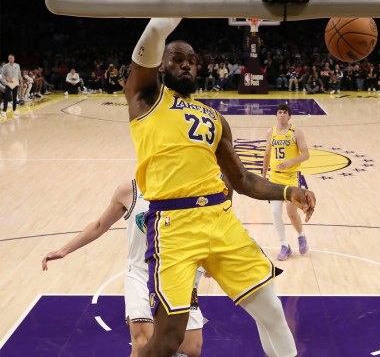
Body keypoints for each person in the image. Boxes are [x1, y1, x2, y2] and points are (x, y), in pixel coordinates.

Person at [125, 18, 316, 357]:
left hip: (220, 219)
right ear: (160, 66)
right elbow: (154, 33)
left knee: (272, 312)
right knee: (169, 339)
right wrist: (170, 14)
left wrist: (290, 192)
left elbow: (242, 180)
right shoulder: (145, 99)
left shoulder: (214, 118)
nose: (186, 63)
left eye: (192, 60)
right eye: (177, 58)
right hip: (174, 226)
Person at [41, 180, 205, 357]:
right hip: (140, 273)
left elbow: (203, 228)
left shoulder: (189, 185)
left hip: (178, 274)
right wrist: (63, 250)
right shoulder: (130, 190)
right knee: (142, 343)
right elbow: (100, 225)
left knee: (191, 349)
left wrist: (209, 259)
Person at [262, 103, 310, 261]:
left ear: (289, 116)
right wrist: (263, 176)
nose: (282, 114)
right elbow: (267, 154)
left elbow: (306, 154)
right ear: (276, 115)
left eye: (284, 112)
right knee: (276, 213)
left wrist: (290, 162)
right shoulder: (271, 132)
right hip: (275, 178)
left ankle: (301, 235)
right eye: (279, 112)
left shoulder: (296, 132)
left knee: (291, 213)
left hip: (291, 177)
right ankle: (284, 246)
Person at [1, 54, 23, 118]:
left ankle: (14, 110)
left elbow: (19, 75)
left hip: (16, 82)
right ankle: (4, 111)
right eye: (10, 58)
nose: (11, 59)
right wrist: (8, 80)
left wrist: (21, 83)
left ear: (14, 59)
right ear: (8, 59)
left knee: (15, 97)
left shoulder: (17, 65)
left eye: (12, 58)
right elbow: (3, 75)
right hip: (9, 83)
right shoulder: (5, 66)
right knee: (6, 97)